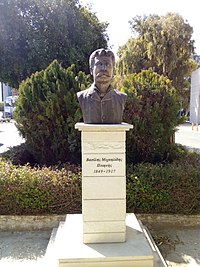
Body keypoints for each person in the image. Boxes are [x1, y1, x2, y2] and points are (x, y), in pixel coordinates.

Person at [77, 48, 127, 124]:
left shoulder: (121, 98)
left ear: (113, 70)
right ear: (91, 70)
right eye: (99, 64)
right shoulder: (82, 97)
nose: (104, 69)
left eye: (107, 64)